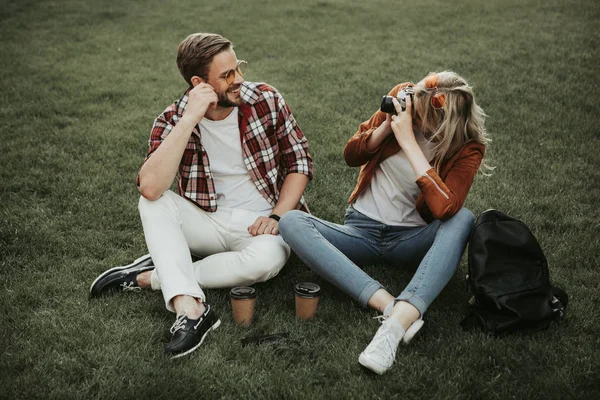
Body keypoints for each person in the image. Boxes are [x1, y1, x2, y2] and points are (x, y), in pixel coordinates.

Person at [89, 33, 312, 358]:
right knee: (153, 201)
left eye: (238, 68)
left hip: (264, 225)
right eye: (227, 75)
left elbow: (299, 162)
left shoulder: (265, 99)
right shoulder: (172, 119)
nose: (239, 80)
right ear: (198, 82)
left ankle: (153, 275)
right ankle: (191, 310)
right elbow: (150, 187)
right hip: (206, 222)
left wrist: (278, 215)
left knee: (264, 263)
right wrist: (190, 118)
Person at [279, 71, 490, 374]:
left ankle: (394, 326)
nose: (413, 119)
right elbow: (351, 154)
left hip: (411, 241)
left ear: (441, 122)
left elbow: (445, 208)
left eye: (421, 119)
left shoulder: (467, 148)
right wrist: (386, 131)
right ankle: (391, 307)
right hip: (360, 231)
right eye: (413, 111)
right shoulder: (403, 99)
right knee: (291, 221)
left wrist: (409, 143)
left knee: (463, 218)